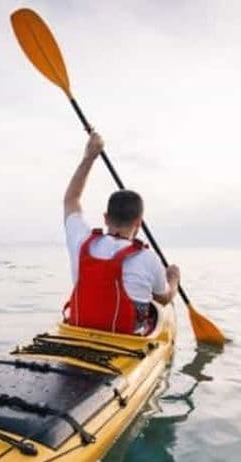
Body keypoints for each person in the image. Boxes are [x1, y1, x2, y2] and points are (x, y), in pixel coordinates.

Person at [63, 131, 180, 335]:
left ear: (106, 218)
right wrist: (173, 278)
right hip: (127, 340)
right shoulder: (148, 258)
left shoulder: (82, 242)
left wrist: (89, 157)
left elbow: (71, 199)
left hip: (80, 332)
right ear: (139, 223)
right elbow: (163, 298)